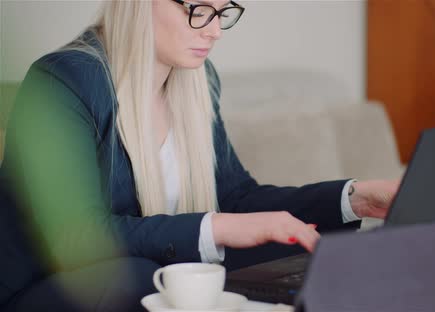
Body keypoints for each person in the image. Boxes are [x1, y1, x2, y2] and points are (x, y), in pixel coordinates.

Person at [0, 0, 399, 311]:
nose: (214, 31)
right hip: (44, 289)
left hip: (155, 271)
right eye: (197, 10)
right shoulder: (61, 81)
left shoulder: (197, 79)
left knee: (316, 238)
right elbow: (76, 238)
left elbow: (238, 196)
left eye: (223, 12)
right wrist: (219, 228)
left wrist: (353, 199)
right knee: (138, 278)